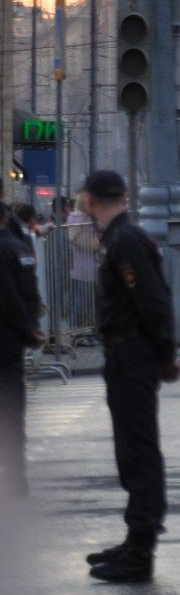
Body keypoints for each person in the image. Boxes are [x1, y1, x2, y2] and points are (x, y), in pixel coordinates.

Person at [80, 171, 180, 584]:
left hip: (132, 354)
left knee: (139, 451)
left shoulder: (126, 241)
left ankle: (141, 550)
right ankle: (135, 537)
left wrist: (165, 355)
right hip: (125, 354)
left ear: (89, 199)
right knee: (130, 450)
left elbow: (153, 301)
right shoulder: (118, 238)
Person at [0, 203, 44, 496]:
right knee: (12, 410)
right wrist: (30, 330)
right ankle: (16, 475)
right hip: (9, 342)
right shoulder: (19, 248)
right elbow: (22, 295)